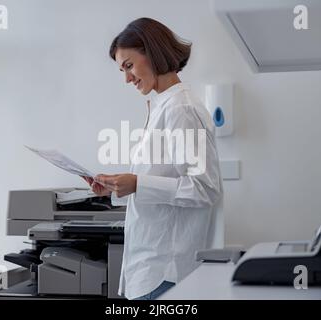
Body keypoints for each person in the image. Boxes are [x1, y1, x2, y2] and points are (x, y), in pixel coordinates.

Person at [82, 17, 223, 300]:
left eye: (129, 66)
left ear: (153, 53)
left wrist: (138, 184)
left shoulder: (181, 109)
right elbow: (162, 178)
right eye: (122, 70)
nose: (126, 78)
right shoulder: (163, 106)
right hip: (151, 270)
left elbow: (204, 188)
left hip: (165, 272)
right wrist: (118, 186)